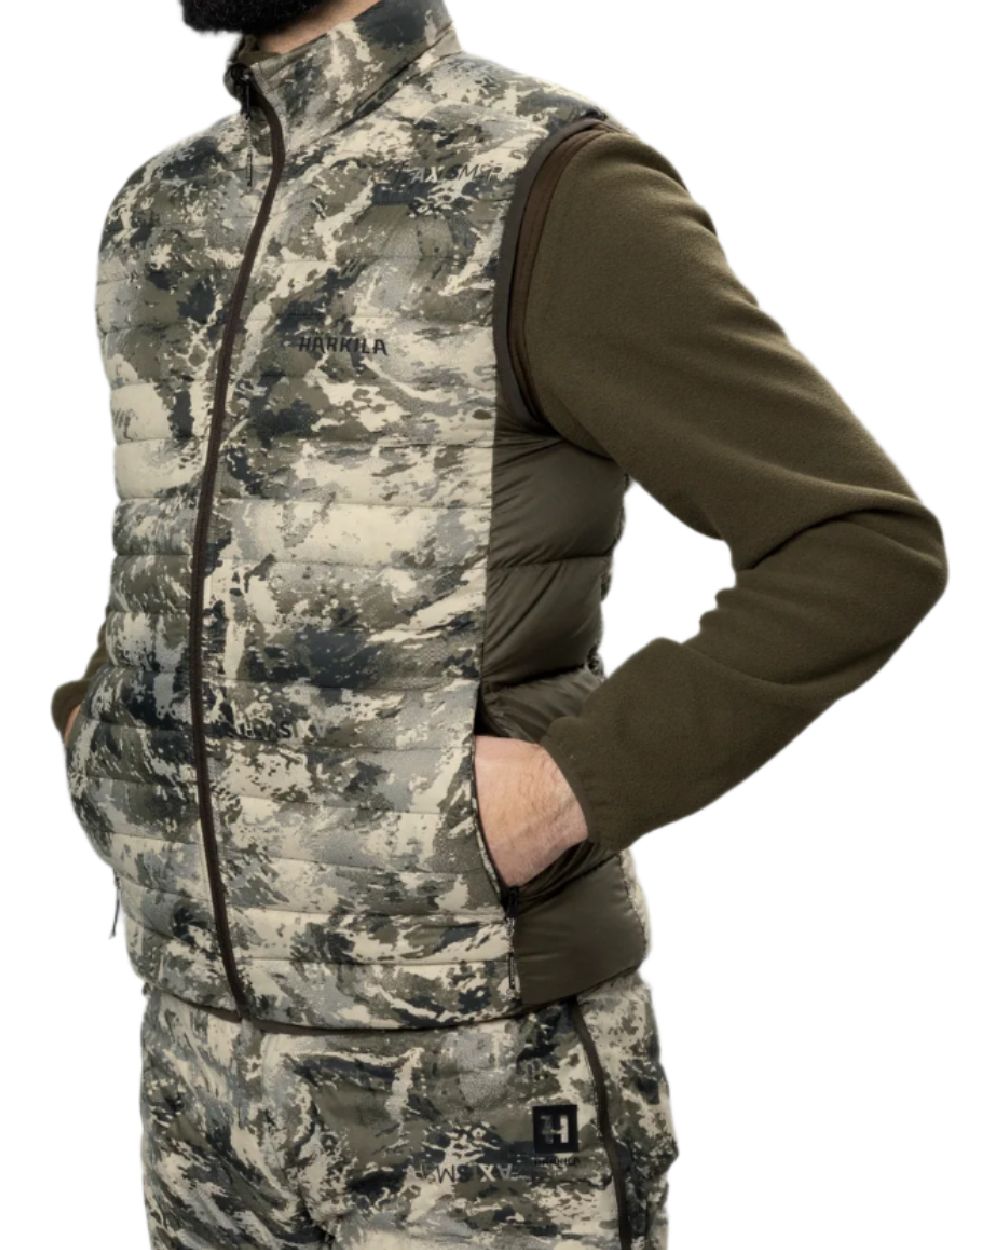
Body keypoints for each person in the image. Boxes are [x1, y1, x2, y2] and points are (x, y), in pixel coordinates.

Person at [51, 0, 948, 1246]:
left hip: (475, 1073)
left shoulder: (543, 183)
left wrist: (575, 782)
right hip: (199, 1064)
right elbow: (173, 542)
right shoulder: (163, 210)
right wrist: (105, 736)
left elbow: (858, 542)